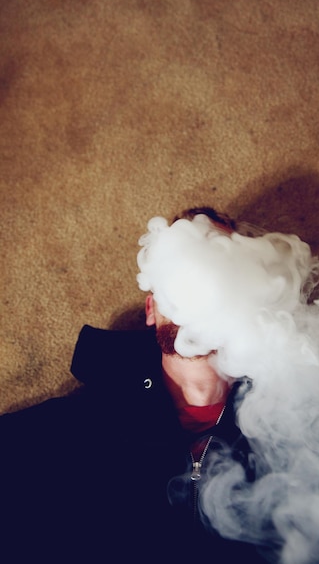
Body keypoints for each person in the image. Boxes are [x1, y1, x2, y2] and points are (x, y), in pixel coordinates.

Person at [0, 207, 266, 564]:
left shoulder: (293, 427)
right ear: (151, 308)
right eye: (178, 275)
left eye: (217, 265)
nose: (196, 290)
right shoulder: (82, 423)